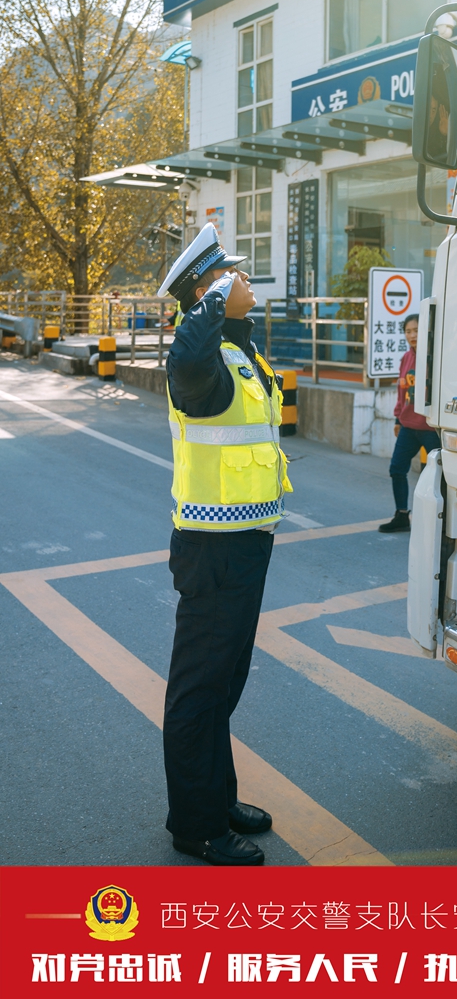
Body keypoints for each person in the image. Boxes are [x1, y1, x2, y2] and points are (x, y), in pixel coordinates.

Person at [156, 223, 292, 866]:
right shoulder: (198, 360)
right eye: (229, 274)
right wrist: (211, 303)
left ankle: (218, 796)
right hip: (213, 548)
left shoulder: (237, 352)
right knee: (199, 688)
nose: (245, 279)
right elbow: (184, 359)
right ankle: (196, 823)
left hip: (246, 543)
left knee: (224, 683)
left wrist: (225, 313)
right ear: (206, 291)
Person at [379, 313, 440, 535]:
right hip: (408, 426)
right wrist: (397, 418)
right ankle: (402, 515)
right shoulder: (406, 358)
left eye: (416, 330)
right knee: (397, 469)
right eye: (408, 331)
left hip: (431, 429)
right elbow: (401, 391)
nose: (412, 335)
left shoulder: (435, 356)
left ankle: (437, 521)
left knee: (438, 478)